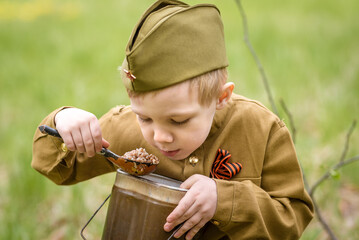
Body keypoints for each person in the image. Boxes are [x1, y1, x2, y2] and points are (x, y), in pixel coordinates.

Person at [32, 0, 314, 239]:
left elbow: (294, 218)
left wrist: (224, 200)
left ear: (221, 97)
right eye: (145, 118)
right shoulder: (126, 128)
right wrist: (64, 121)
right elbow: (54, 167)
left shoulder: (262, 131)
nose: (159, 136)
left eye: (178, 121)